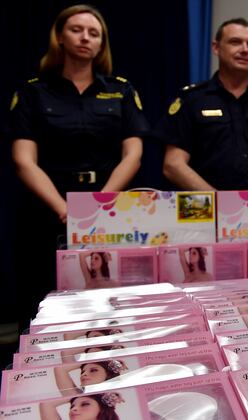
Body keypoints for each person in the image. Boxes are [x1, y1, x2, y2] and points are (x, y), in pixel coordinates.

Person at [6, 4, 148, 329]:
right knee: (40, 304)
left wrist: (95, 207)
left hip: (107, 210)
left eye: (94, 33)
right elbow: (23, 160)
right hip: (46, 210)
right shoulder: (33, 92)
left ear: (101, 44)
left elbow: (133, 155)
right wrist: (64, 209)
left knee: (107, 308)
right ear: (59, 37)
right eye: (76, 30)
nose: (85, 38)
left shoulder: (120, 91)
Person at [159, 18, 248, 190]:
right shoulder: (191, 100)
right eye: (235, 42)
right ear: (216, 47)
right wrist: (219, 202)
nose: (245, 50)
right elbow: (173, 164)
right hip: (204, 210)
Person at [54, 360, 128, 397]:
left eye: (93, 370)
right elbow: (59, 369)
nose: (84, 374)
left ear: (108, 375)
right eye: (82, 372)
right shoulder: (78, 397)